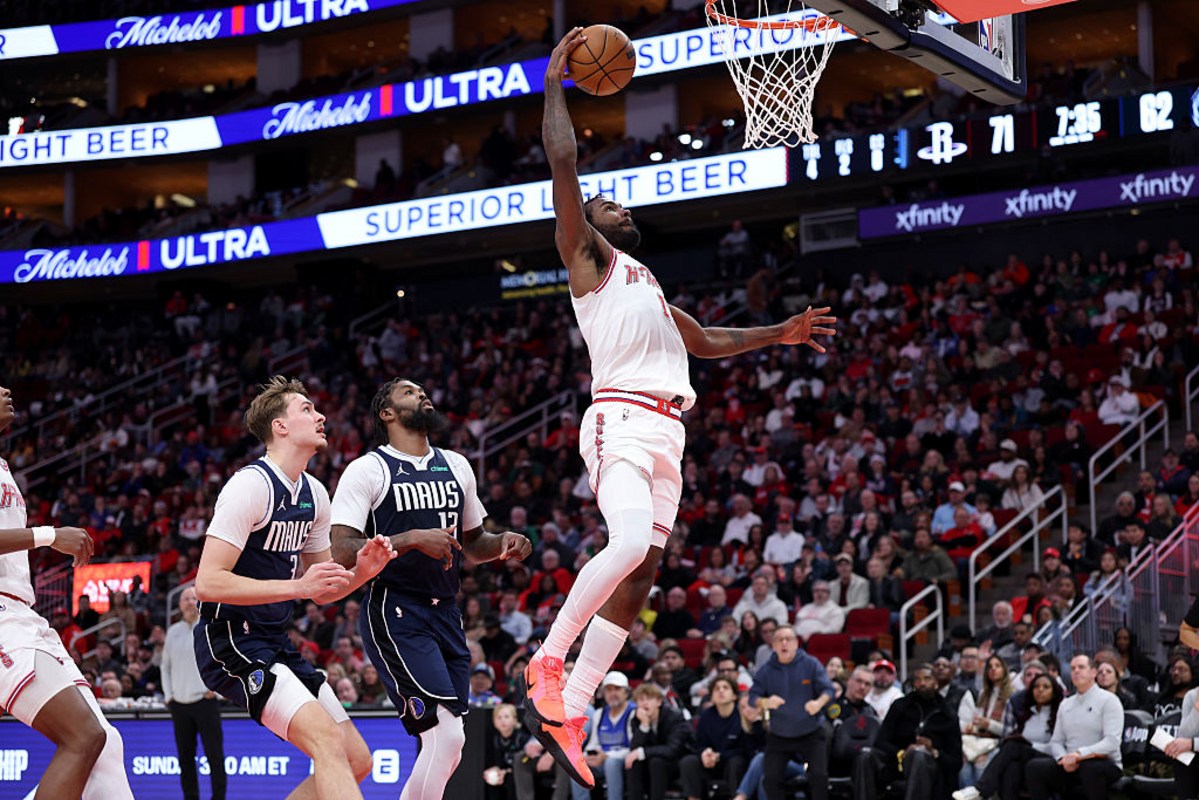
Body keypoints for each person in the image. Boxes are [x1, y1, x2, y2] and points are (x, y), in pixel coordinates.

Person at [525, 26, 837, 788]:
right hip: (621, 419)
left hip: (669, 431)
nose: (617, 205)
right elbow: (563, 162)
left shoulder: (645, 281)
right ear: (586, 224)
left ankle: (572, 708)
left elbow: (705, 339)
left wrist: (781, 334)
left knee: (643, 572)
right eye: (606, 202)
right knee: (628, 541)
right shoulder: (588, 259)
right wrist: (554, 85)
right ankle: (547, 661)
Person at [193, 376, 396, 800]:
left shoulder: (314, 493)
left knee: (357, 760)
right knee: (327, 740)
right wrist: (297, 586)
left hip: (274, 639)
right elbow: (207, 583)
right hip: (229, 638)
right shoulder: (250, 485)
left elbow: (320, 589)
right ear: (280, 426)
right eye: (307, 409)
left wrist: (363, 572)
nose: (321, 416)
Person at [330, 378, 533, 800]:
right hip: (396, 608)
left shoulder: (456, 464)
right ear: (386, 413)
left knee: (450, 743)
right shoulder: (368, 469)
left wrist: (502, 543)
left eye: (422, 391)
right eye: (408, 392)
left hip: (446, 610)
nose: (422, 394)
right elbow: (342, 550)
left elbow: (473, 543)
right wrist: (409, 539)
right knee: (446, 736)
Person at [0, 384, 134, 800]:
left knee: (106, 746)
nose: (5, 390)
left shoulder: (3, 466)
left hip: (23, 613)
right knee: (83, 736)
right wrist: (49, 534)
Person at [749, 625, 836, 800]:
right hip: (779, 735)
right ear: (773, 645)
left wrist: (818, 703)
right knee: (770, 780)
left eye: (788, 639)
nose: (784, 643)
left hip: (810, 732)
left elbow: (829, 690)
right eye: (779, 640)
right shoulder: (766, 670)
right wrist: (765, 702)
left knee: (819, 777)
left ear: (796, 643)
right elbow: (753, 697)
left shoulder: (811, 664)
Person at [853, 663, 962, 800]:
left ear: (936, 683)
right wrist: (902, 753)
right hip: (896, 761)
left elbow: (955, 761)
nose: (922, 683)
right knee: (865, 756)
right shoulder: (900, 706)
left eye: (927, 678)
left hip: (931, 768)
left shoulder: (947, 715)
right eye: (918, 679)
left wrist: (933, 751)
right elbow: (881, 741)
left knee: (919, 755)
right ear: (913, 684)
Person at [1024, 655, 1123, 800]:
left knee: (1090, 768)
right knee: (1035, 767)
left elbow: (1112, 742)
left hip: (1104, 763)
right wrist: (1063, 758)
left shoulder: (1109, 700)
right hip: (1070, 763)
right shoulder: (1066, 704)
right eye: (1073, 668)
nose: (1076, 671)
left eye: (1081, 667)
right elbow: (1056, 742)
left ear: (1093, 672)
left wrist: (1079, 755)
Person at [953, 673, 1062, 800]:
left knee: (1013, 746)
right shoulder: (1028, 714)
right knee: (1012, 767)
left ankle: (980, 790)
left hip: (1049, 757)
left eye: (1046, 687)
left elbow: (1057, 745)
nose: (1040, 690)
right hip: (1024, 758)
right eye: (1036, 687)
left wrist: (1030, 745)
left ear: (1054, 691)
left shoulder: (1059, 714)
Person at [163, 586, 226, 800]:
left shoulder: (211, 627)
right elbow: (165, 667)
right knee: (185, 758)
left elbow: (224, 661)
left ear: (200, 602)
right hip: (179, 704)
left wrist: (216, 690)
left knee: (214, 756)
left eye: (193, 598)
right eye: (185, 599)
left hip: (205, 701)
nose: (190, 602)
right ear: (180, 605)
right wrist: (169, 696)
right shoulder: (173, 631)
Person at [680, 677, 753, 800]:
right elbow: (699, 744)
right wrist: (704, 753)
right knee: (688, 761)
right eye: (717, 688)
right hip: (710, 764)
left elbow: (744, 750)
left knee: (737, 762)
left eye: (725, 688)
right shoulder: (706, 716)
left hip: (731, 764)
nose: (721, 691)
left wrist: (719, 756)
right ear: (712, 696)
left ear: (734, 696)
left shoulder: (741, 715)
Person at [626, 682, 696, 800]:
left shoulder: (674, 717)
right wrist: (644, 726)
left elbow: (672, 749)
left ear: (659, 701)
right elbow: (634, 749)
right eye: (641, 700)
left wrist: (643, 752)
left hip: (677, 762)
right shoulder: (636, 719)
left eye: (648, 699)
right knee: (634, 763)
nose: (644, 703)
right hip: (652, 764)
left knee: (656, 762)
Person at [585, 672, 636, 800]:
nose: (612, 693)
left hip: (625, 761)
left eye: (617, 689)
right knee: (578, 764)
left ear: (626, 692)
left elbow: (634, 747)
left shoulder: (633, 712)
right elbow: (593, 743)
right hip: (602, 760)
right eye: (608, 690)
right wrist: (587, 756)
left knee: (611, 763)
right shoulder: (599, 713)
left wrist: (607, 756)